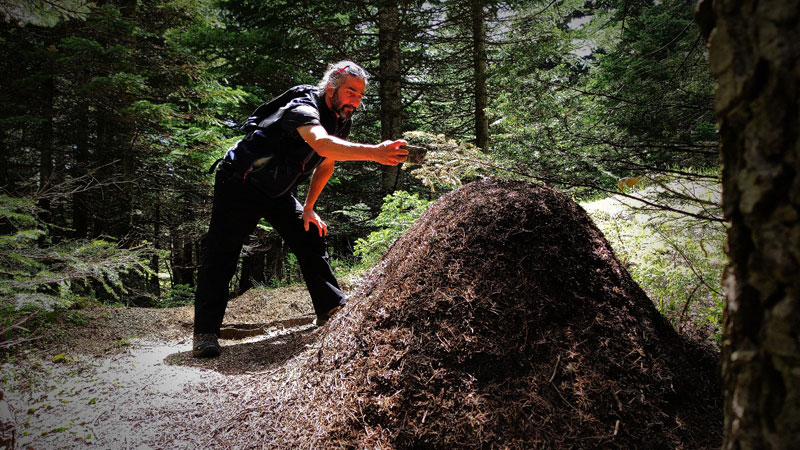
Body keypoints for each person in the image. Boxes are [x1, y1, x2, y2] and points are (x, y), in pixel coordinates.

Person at [192, 61, 408, 358]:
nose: (355, 100)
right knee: (223, 254)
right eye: (350, 92)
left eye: (360, 95)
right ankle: (205, 333)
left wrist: (308, 207)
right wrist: (374, 153)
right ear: (331, 88)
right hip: (240, 182)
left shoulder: (341, 118)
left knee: (309, 235)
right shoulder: (303, 106)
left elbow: (327, 162)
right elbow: (321, 144)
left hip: (278, 190)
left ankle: (330, 310)